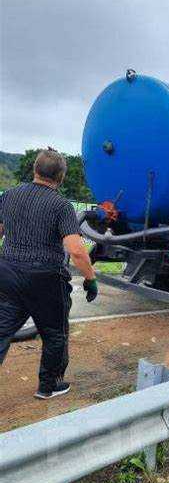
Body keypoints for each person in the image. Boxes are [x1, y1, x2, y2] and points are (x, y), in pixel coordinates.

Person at [0, 149, 99, 399]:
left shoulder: (9, 196)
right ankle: (48, 387)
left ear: (35, 170)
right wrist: (90, 279)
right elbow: (76, 251)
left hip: (8, 274)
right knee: (55, 334)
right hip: (45, 280)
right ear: (61, 177)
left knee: (1, 329)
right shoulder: (61, 206)